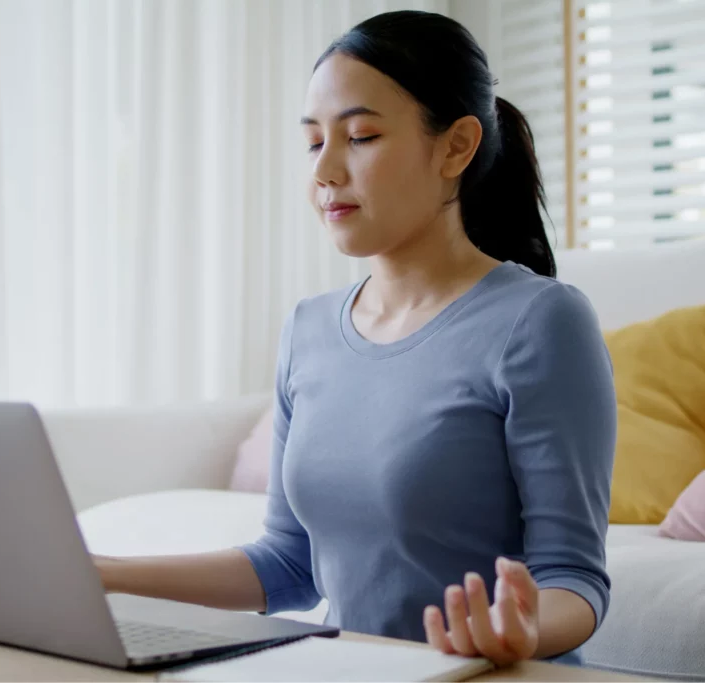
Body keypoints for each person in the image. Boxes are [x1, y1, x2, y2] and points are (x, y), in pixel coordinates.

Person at [95, 10, 616, 668]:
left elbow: (574, 578)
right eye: (314, 143)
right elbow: (287, 563)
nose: (326, 170)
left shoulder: (542, 321)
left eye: (361, 136)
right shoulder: (308, 329)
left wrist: (523, 629)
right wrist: (98, 572)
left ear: (456, 146)